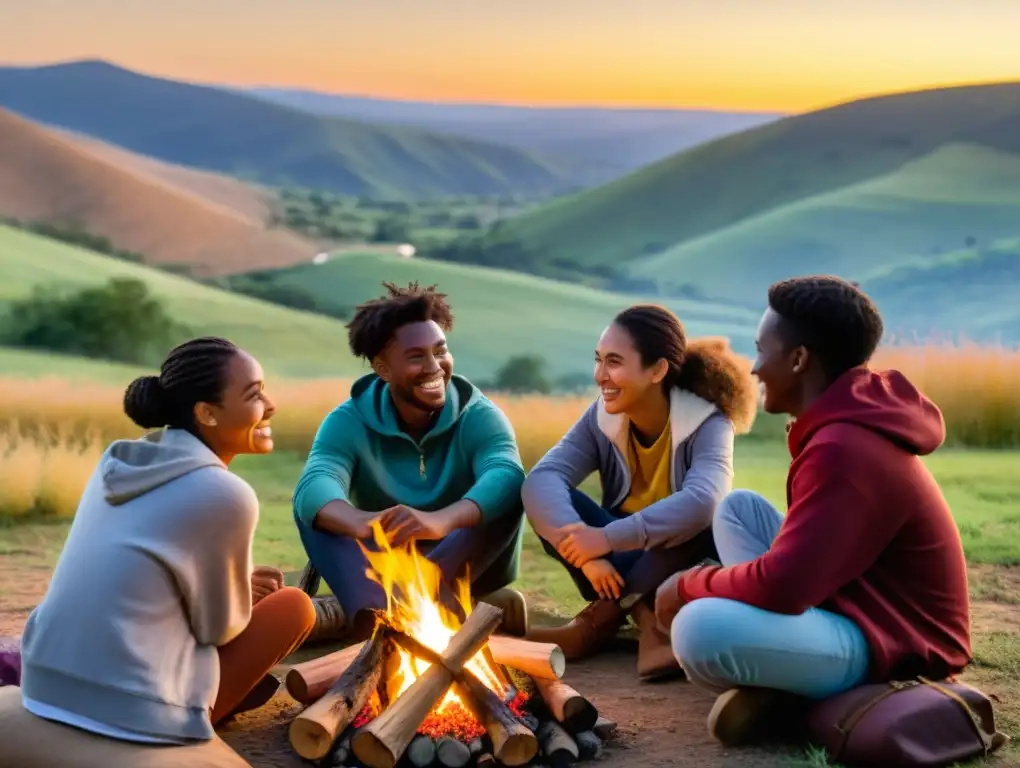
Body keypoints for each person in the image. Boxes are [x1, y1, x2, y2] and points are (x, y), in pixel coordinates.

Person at [656, 276, 972, 746]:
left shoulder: (843, 447)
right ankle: (785, 683)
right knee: (737, 510)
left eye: (762, 351)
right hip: (857, 603)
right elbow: (795, 573)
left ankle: (796, 696)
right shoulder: (844, 427)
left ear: (800, 359)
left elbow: (784, 586)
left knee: (696, 630)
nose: (756, 369)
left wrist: (687, 585)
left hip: (895, 641)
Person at [4, 337, 316, 764]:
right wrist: (240, 594)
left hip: (45, 683)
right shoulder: (226, 493)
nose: (270, 404)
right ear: (206, 413)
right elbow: (218, 630)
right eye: (254, 393)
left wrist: (236, 583)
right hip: (131, 709)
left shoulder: (119, 462)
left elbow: (142, 577)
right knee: (295, 607)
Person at [522, 304, 759, 680]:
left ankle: (599, 621)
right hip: (616, 559)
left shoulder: (708, 422)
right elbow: (542, 479)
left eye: (614, 362)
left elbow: (704, 501)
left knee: (701, 518)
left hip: (683, 558)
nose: (601, 375)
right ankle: (648, 621)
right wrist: (586, 552)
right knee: (560, 503)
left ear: (658, 370)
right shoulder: (602, 416)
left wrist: (606, 538)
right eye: (598, 361)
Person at [292, 282, 528, 641]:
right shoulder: (348, 419)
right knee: (314, 513)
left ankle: (396, 611)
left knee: (512, 491)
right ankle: (402, 612)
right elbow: (316, 484)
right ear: (383, 370)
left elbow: (506, 474)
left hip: (459, 556)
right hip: (387, 561)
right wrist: (362, 523)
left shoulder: (478, 414)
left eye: (440, 351)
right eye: (416, 356)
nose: (435, 367)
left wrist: (440, 521)